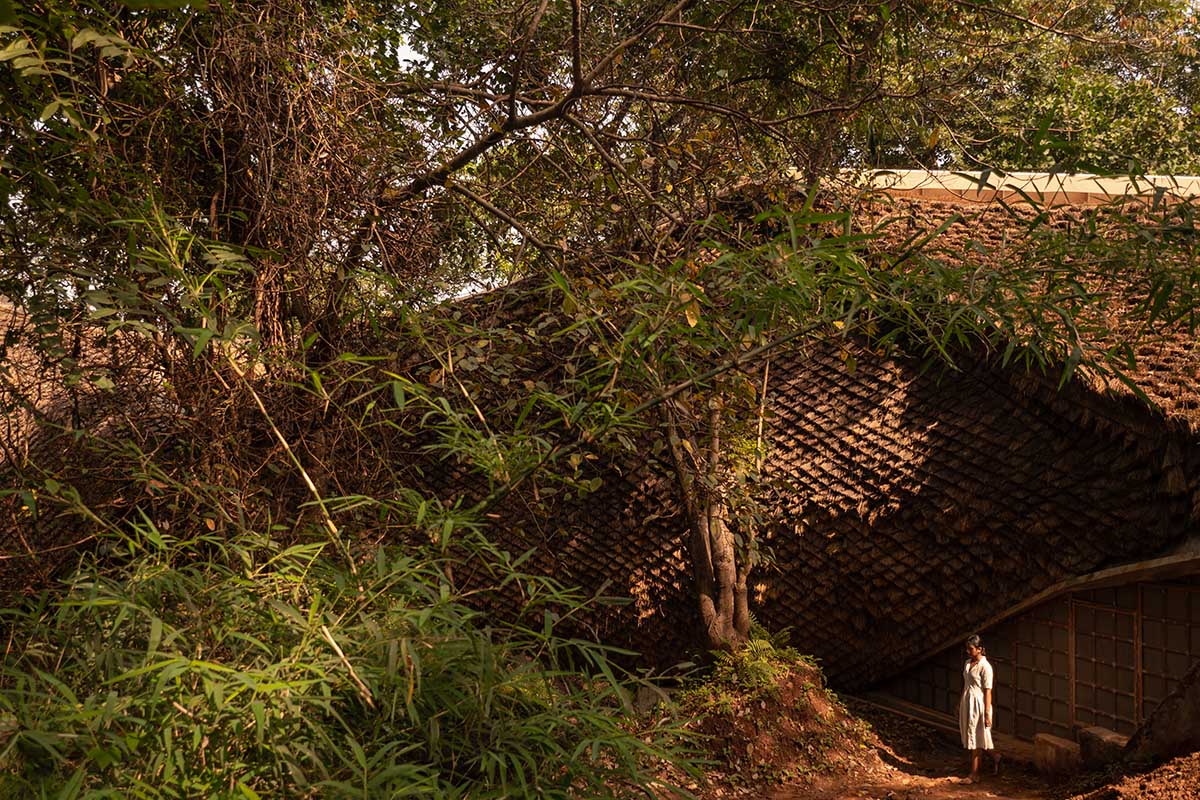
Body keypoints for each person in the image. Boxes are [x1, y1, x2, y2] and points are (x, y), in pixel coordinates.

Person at [959, 634, 999, 783]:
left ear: (980, 649)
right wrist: (960, 702)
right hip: (967, 702)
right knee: (976, 736)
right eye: (967, 649)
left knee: (977, 738)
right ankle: (996, 757)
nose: (968, 652)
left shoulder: (986, 667)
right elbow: (966, 684)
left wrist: (987, 713)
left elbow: (988, 691)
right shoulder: (968, 664)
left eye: (971, 649)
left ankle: (974, 773)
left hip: (979, 705)